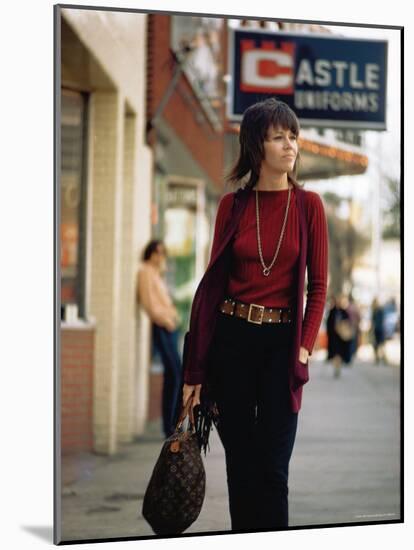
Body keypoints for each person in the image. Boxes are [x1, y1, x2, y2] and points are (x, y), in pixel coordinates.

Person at [181, 98, 329, 531]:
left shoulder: (308, 206)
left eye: (293, 136)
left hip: (281, 347)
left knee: (273, 470)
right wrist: (196, 370)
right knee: (241, 469)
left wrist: (303, 348)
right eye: (278, 137)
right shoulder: (233, 207)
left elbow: (317, 287)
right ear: (255, 146)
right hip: (232, 344)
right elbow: (211, 291)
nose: (290, 145)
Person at [136, 240, 182, 438]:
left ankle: (171, 424)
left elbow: (165, 301)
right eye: (158, 252)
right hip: (161, 326)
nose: (161, 256)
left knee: (175, 375)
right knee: (174, 372)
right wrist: (166, 320)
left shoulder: (157, 273)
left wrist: (174, 316)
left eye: (163, 253)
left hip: (169, 326)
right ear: (150, 253)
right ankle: (168, 425)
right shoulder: (145, 272)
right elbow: (148, 303)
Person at [329, 293, 353, 378]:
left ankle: (338, 367)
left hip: (341, 338)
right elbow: (329, 324)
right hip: (334, 337)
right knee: (336, 353)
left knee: (339, 353)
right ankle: (336, 368)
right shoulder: (332, 311)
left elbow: (348, 324)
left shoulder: (344, 312)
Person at [371, 296, 387, 365]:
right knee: (376, 345)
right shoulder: (374, 311)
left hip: (380, 329)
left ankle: (384, 359)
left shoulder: (380, 310)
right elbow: (373, 321)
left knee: (381, 345)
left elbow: (382, 320)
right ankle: (377, 358)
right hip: (376, 330)